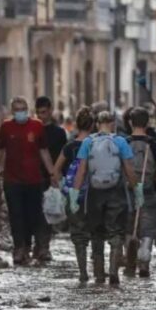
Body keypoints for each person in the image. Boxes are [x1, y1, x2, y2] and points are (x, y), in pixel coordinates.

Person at [70, 111, 141, 285]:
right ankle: (113, 270)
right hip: (116, 192)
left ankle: (99, 274)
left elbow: (81, 170)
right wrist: (137, 191)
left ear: (97, 124)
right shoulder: (121, 141)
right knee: (116, 232)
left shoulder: (88, 142)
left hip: (94, 193)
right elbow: (129, 169)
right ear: (113, 124)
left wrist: (74, 195)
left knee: (96, 233)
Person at [0, 96, 57, 266]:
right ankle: (19, 248)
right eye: (17, 109)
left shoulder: (36, 126)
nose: (20, 112)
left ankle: (29, 246)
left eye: (23, 109)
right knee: (15, 215)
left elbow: (43, 151)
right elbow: (1, 150)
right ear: (12, 111)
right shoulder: (6, 127)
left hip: (33, 180)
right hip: (12, 179)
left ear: (27, 110)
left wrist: (52, 172)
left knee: (32, 215)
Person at [55, 107, 94, 283]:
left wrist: (63, 185)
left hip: (73, 195)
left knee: (78, 235)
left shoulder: (70, 146)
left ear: (77, 125)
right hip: (95, 194)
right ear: (93, 125)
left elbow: (56, 170)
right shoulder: (96, 144)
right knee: (97, 232)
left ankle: (83, 271)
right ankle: (101, 271)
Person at [127, 107, 156, 278]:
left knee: (129, 226)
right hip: (148, 188)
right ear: (148, 123)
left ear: (130, 122)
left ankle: (129, 258)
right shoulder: (154, 144)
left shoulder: (124, 143)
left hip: (127, 190)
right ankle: (144, 259)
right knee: (148, 226)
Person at [33, 96, 68, 262]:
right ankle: (36, 245)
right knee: (34, 212)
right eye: (39, 113)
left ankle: (44, 246)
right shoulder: (32, 130)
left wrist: (59, 174)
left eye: (44, 112)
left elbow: (64, 155)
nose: (42, 116)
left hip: (50, 177)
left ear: (50, 110)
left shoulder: (59, 133)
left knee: (48, 212)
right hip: (33, 176)